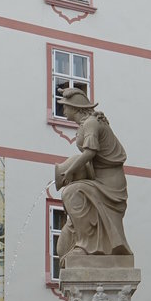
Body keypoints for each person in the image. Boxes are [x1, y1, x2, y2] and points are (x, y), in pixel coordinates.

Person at [54, 87, 132, 265]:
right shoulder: (87, 123)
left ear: (74, 108)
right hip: (97, 178)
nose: (63, 109)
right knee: (73, 194)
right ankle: (82, 242)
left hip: (109, 183)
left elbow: (90, 152)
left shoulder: (91, 123)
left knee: (71, 193)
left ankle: (87, 245)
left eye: (65, 106)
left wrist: (70, 171)